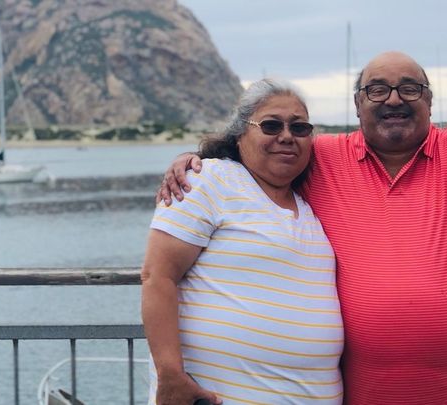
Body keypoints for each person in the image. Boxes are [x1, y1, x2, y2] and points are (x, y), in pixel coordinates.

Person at [156, 25, 447, 404]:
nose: (394, 99)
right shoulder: (322, 156)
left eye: (410, 88)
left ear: (429, 101)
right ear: (357, 104)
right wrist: (196, 160)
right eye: (377, 89)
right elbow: (266, 150)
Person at [141, 79, 345, 404]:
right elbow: (157, 276)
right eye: (271, 125)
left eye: (300, 127)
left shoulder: (307, 204)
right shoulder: (207, 180)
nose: (287, 136)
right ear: (239, 134)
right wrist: (170, 376)